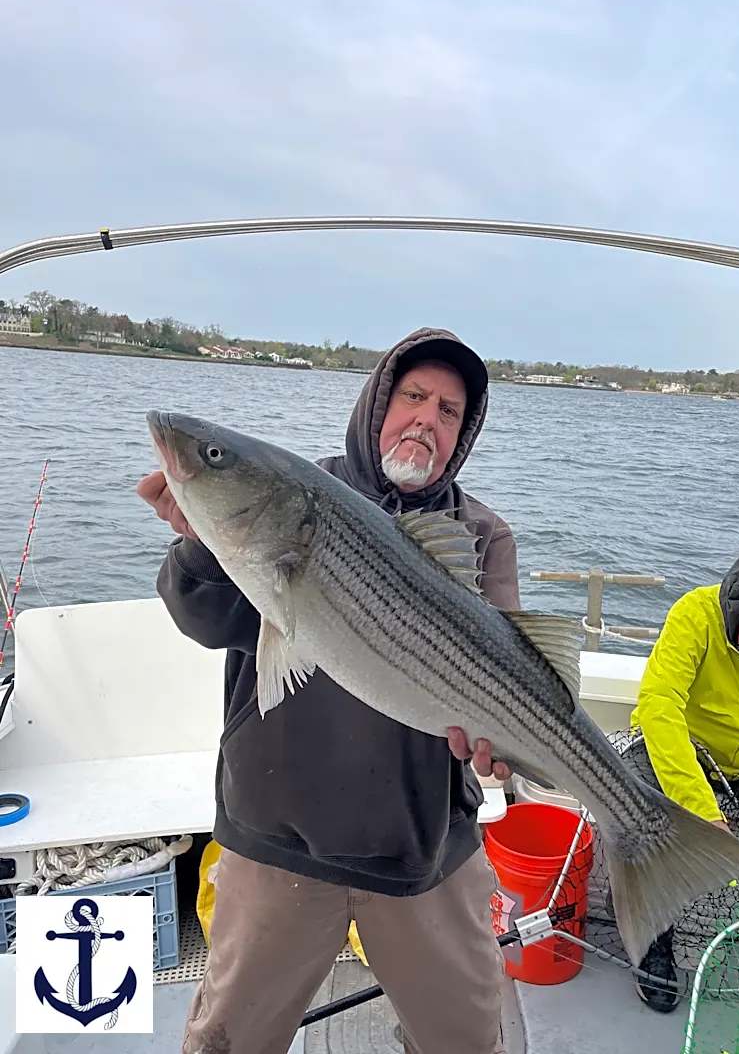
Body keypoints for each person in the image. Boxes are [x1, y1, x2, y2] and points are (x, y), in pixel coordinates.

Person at [137, 327, 520, 1054]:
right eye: (412, 397)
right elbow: (205, 620)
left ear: (463, 433)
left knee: (469, 1041)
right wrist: (198, 541)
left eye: (448, 410)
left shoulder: (481, 535)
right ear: (377, 403)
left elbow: (503, 673)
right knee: (226, 1043)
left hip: (423, 850)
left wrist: (499, 745)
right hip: (278, 835)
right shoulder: (290, 493)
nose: (426, 420)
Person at [627, 547, 739, 1013]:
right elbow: (659, 709)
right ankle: (655, 940)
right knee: (645, 824)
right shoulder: (695, 613)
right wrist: (698, 809)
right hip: (689, 759)